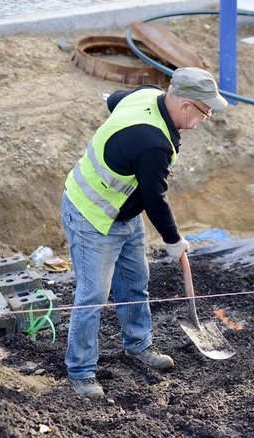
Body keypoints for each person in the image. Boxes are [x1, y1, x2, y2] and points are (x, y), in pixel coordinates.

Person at [61, 67, 228, 399]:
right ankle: (80, 372)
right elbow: (155, 198)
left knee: (135, 281)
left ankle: (138, 345)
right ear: (185, 106)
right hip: (92, 215)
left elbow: (114, 100)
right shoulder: (153, 143)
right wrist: (173, 240)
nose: (206, 118)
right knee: (92, 296)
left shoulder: (148, 93)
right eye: (204, 111)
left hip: (125, 213)